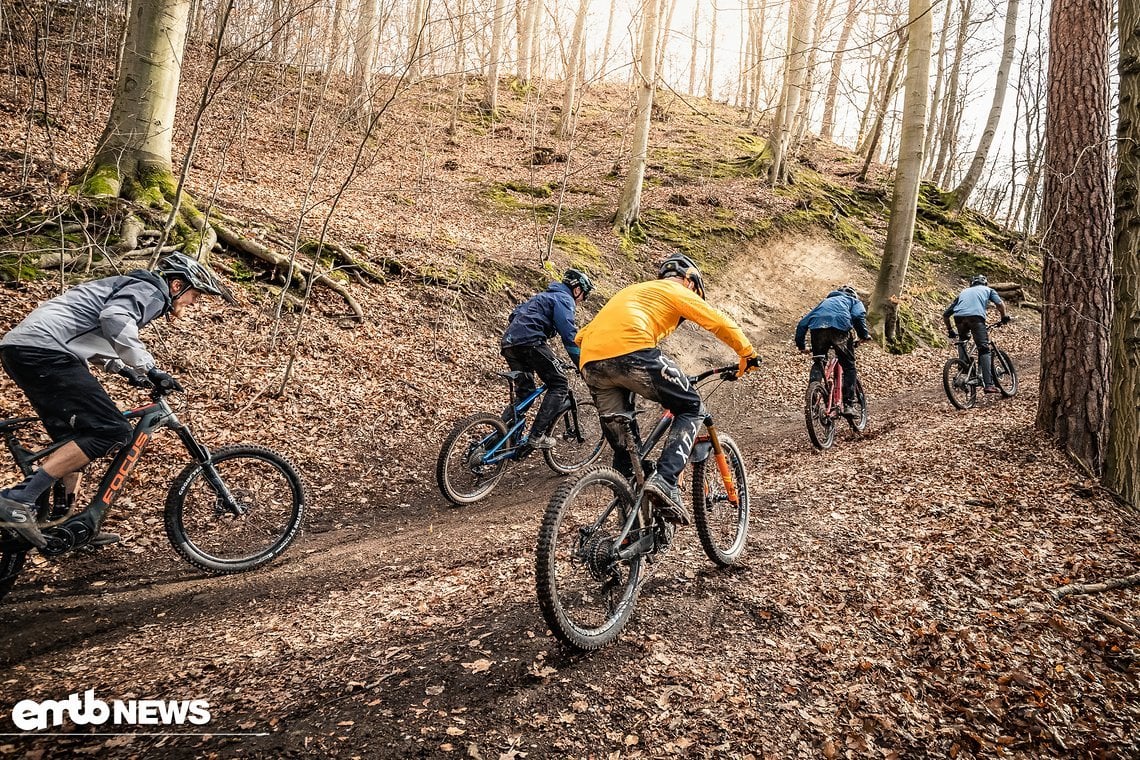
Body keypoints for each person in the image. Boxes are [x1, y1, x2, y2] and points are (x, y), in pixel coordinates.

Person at [0, 253, 234, 549]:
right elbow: (114, 319)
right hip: (45, 351)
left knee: (78, 440)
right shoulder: (150, 289)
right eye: (195, 295)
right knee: (112, 431)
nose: (194, 303)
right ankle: (18, 499)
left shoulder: (129, 287)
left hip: (29, 348)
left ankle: (64, 526)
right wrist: (148, 367)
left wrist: (125, 369)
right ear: (177, 285)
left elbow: (92, 335)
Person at [575, 254, 759, 526]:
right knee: (691, 407)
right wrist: (747, 353)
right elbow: (716, 321)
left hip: (591, 362)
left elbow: (581, 334)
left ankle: (630, 532)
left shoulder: (635, 291)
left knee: (627, 453)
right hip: (633, 351)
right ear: (690, 281)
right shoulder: (676, 289)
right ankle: (666, 480)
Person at [500, 268, 594, 450]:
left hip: (510, 344)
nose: (583, 300)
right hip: (530, 342)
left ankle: (499, 440)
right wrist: (582, 365)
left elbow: (514, 315)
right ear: (577, 289)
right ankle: (537, 436)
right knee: (559, 384)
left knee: (525, 393)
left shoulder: (542, 297)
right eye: (584, 295)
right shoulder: (564, 299)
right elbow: (569, 337)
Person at [794, 285, 873, 416]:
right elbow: (858, 316)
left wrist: (801, 346)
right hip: (840, 330)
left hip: (818, 331)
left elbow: (802, 323)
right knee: (849, 367)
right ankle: (848, 405)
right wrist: (864, 335)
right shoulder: (853, 301)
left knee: (819, 362)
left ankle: (813, 399)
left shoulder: (824, 303)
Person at [943, 274, 1009, 394]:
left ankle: (963, 367)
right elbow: (1000, 304)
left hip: (959, 318)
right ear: (985, 283)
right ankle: (988, 384)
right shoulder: (988, 290)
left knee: (963, 340)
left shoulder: (963, 292)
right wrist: (1004, 317)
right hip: (976, 318)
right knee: (984, 349)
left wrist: (950, 330)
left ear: (971, 284)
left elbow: (946, 315)